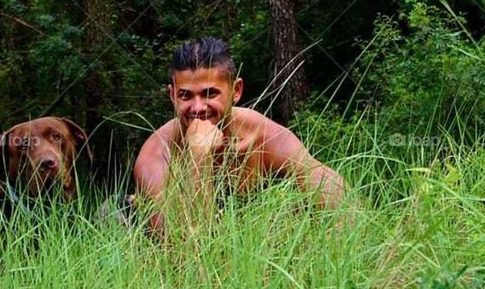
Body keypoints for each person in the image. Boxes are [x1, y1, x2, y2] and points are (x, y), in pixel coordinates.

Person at [132, 36, 346, 232]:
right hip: (147, 233)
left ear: (236, 91)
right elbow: (184, 253)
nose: (197, 107)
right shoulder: (157, 155)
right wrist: (198, 156)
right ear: (172, 96)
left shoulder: (261, 134)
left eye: (210, 93)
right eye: (185, 96)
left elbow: (331, 189)